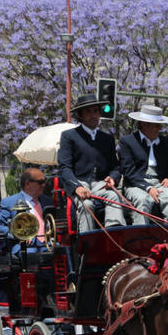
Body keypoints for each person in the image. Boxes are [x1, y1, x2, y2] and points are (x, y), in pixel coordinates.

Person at [57, 93, 126, 231]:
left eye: (95, 111)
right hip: (79, 182)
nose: (93, 115)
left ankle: (114, 233)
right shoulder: (69, 136)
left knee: (114, 196)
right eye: (88, 111)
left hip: (100, 184)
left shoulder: (107, 139)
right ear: (80, 115)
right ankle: (87, 241)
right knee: (87, 204)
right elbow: (64, 167)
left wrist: (113, 178)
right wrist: (76, 187)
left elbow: (115, 167)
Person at [118, 104, 168, 224]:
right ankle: (140, 235)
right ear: (144, 124)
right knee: (143, 200)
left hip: (159, 184)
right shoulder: (127, 142)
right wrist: (148, 188)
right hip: (135, 184)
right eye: (156, 125)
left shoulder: (164, 142)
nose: (159, 129)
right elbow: (129, 172)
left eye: (160, 125)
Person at [0, 167, 53, 255]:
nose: (44, 185)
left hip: (48, 243)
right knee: (31, 254)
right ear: (27, 184)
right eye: (40, 182)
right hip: (24, 245)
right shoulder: (10, 202)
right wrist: (18, 233)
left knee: (64, 251)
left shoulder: (48, 201)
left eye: (44, 181)